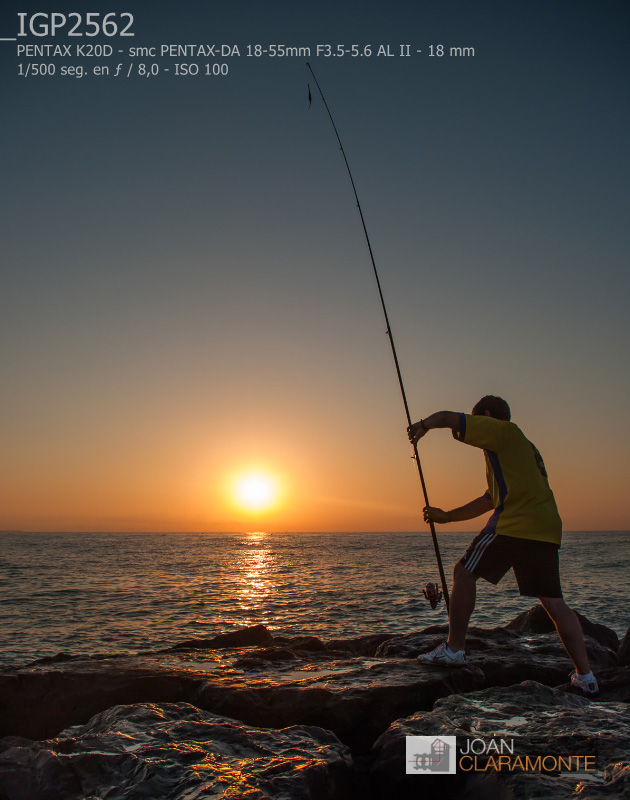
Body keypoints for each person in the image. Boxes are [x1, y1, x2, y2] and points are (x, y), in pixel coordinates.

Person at [407, 395, 599, 697]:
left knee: (463, 572)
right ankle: (586, 677)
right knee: (553, 602)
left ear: (486, 415)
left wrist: (423, 425)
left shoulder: (502, 432)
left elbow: (447, 417)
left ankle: (454, 649)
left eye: (479, 420)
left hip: (515, 522)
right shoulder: (521, 449)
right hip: (545, 527)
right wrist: (446, 517)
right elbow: (489, 499)